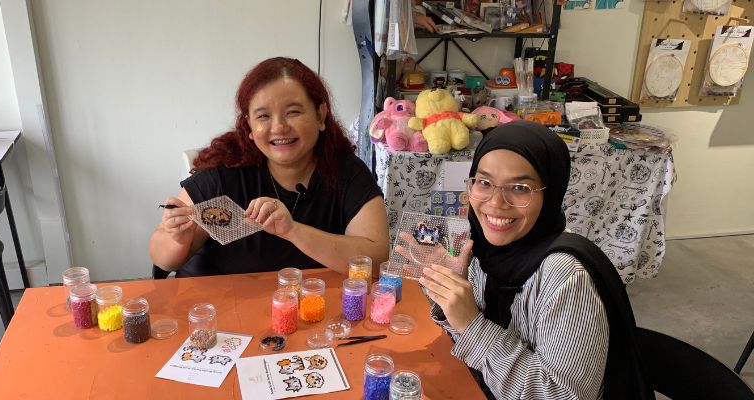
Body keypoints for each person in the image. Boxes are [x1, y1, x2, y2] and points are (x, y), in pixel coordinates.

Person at [416, 121, 654, 399]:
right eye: (484, 182)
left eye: (519, 188)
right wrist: (451, 298)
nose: (496, 203)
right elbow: (473, 352)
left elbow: (562, 395)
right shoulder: (482, 249)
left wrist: (471, 325)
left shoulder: (566, 277)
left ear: (550, 194)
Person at [149, 57, 390, 277]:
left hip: (308, 303)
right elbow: (163, 260)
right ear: (249, 126)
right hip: (219, 306)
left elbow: (377, 260)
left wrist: (293, 230)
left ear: (320, 115)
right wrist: (178, 239)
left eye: (293, 112)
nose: (279, 127)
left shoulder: (346, 172)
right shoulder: (223, 173)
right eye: (263, 116)